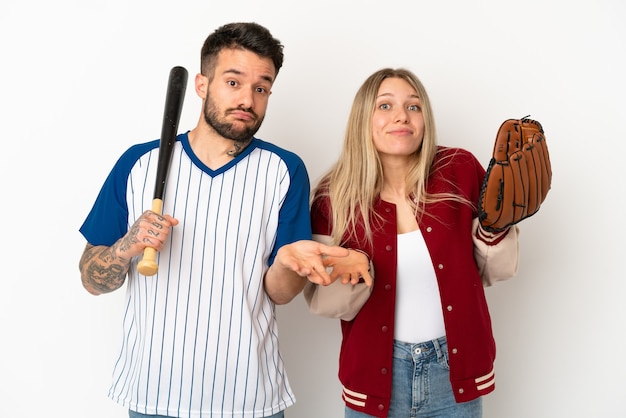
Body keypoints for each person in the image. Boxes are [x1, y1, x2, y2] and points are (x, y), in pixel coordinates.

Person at [78, 22, 351, 418]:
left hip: (251, 397)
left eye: (262, 87)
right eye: (233, 82)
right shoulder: (138, 163)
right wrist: (127, 246)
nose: (248, 99)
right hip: (153, 395)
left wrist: (292, 263)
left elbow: (280, 293)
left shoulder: (284, 169)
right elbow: (90, 280)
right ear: (203, 85)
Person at [304, 68, 520, 418]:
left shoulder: (460, 170)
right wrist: (353, 271)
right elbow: (326, 306)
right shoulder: (333, 196)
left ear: (425, 119)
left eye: (413, 106)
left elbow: (498, 270)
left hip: (454, 376)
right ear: (364, 119)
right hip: (373, 380)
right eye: (385, 106)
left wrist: (495, 231)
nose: (402, 116)